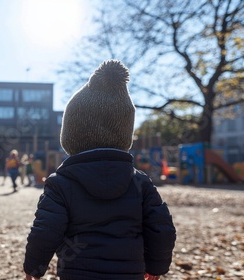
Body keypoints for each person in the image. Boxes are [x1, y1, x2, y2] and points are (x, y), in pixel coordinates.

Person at [24, 60, 176, 280]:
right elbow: (162, 229)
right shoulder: (140, 183)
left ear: (71, 135)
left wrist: (34, 269)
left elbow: (46, 230)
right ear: (124, 135)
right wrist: (156, 267)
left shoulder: (61, 183)